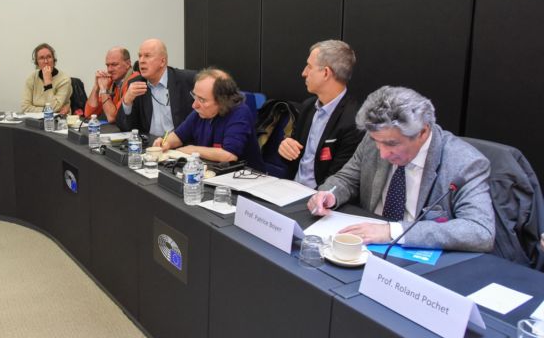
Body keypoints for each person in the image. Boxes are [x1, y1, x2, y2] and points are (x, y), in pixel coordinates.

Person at [307, 86, 495, 252]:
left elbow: (480, 230)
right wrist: (329, 194)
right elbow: (346, 179)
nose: (382, 154)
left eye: (392, 144)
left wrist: (392, 231)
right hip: (365, 247)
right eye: (377, 142)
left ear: (422, 132)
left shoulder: (464, 163)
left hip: (418, 257)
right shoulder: (375, 140)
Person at [278, 40, 363, 188]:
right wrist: (285, 149)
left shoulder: (354, 121)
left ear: (326, 73)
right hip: (292, 188)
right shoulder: (308, 107)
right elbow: (293, 161)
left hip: (320, 195)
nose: (304, 73)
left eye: (309, 67)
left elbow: (340, 181)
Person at [155, 68, 271, 172]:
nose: (194, 105)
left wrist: (193, 150)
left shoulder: (240, 113)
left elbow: (229, 155)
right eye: (194, 96)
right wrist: (166, 142)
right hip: (211, 173)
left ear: (222, 101)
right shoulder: (200, 112)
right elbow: (178, 136)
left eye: (202, 100)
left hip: (245, 177)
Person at [116, 38, 194, 137]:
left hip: (180, 143)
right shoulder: (137, 84)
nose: (141, 61)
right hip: (150, 143)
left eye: (147, 56)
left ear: (162, 61)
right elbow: (124, 127)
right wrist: (127, 101)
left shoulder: (186, 80)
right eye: (140, 56)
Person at [83, 46, 138, 123]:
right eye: (107, 65)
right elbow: (89, 114)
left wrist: (104, 90)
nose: (109, 70)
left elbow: (112, 117)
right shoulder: (111, 81)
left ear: (128, 63)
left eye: (114, 64)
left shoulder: (134, 81)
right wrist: (96, 86)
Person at [21, 43, 72, 114]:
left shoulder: (64, 80)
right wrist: (45, 110)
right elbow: (25, 107)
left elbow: (54, 107)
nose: (46, 61)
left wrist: (48, 83)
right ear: (37, 62)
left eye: (49, 57)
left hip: (58, 119)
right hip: (35, 119)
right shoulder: (31, 78)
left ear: (53, 60)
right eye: (41, 58)